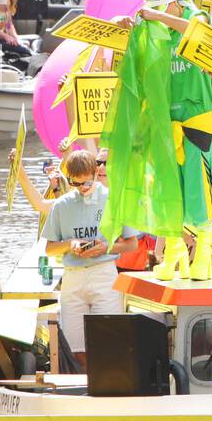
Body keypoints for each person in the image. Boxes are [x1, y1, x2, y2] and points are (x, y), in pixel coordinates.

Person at [42, 149, 139, 369]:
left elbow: (132, 244)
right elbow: (49, 249)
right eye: (75, 184)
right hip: (73, 277)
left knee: (108, 344)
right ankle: (87, 387)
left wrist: (104, 248)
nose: (82, 190)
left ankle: (107, 391)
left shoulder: (114, 199)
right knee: (76, 349)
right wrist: (70, 244)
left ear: (96, 172)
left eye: (85, 183)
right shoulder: (61, 205)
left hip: (104, 273)